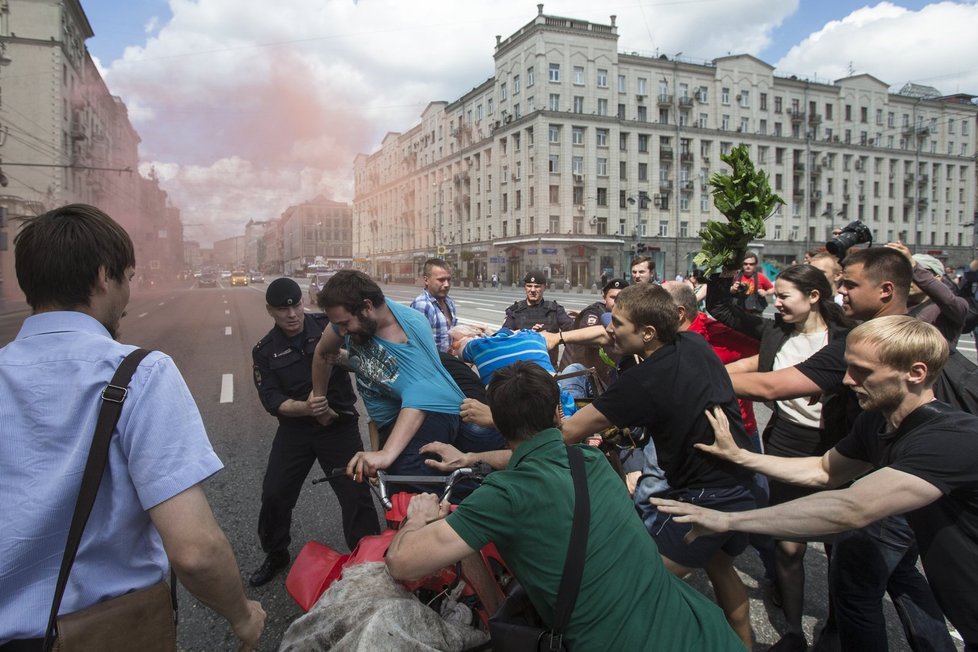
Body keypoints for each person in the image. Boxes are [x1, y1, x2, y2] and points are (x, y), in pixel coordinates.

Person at [0, 205, 265, 649]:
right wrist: (241, 615)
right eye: (129, 277)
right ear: (105, 276)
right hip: (107, 632)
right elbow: (195, 551)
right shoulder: (139, 372)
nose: (127, 294)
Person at [655, 316, 978, 650]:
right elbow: (824, 471)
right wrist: (739, 456)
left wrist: (728, 520)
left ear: (916, 373)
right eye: (848, 367)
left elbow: (851, 508)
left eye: (863, 371)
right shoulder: (876, 422)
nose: (848, 380)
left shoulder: (948, 438)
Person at [386, 362, 745, 651]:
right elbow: (532, 456)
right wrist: (472, 457)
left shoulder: (504, 496)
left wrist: (417, 519)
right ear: (559, 414)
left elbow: (402, 563)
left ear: (498, 423)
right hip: (703, 630)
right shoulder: (590, 460)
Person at [727, 247, 955, 652]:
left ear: (886, 290)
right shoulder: (912, 337)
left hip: (883, 478)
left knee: (855, 592)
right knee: (902, 575)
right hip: (873, 464)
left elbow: (773, 386)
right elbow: (822, 467)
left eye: (849, 284)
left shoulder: (865, 341)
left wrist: (686, 380)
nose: (840, 292)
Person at [561, 283, 757, 647]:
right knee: (720, 566)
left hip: (705, 495)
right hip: (740, 481)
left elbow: (569, 431)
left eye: (618, 324)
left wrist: (496, 419)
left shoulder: (643, 381)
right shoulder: (693, 344)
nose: (609, 330)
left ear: (648, 332)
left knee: (640, 583)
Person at [707, 264, 855, 651]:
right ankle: (792, 631)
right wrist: (726, 262)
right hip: (787, 440)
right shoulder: (774, 330)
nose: (776, 302)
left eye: (785, 296)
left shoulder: (847, 337)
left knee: (840, 545)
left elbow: (772, 388)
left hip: (836, 442)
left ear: (814, 297)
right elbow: (723, 309)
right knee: (788, 545)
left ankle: (838, 627)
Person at [250, 278, 380, 587]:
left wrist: (346, 360)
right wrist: (308, 408)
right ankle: (276, 551)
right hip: (296, 430)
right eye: (283, 309)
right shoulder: (265, 351)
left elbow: (368, 358)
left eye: (296, 305)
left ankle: (372, 562)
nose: (292, 314)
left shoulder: (331, 325)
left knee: (356, 494)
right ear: (270, 311)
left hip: (339, 428)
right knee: (275, 493)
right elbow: (272, 400)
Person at [311, 270, 465, 488]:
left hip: (432, 411)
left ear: (367, 307)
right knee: (391, 489)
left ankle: (478, 503)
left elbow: (420, 394)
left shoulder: (409, 329)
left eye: (345, 324)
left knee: (406, 474)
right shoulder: (348, 322)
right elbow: (323, 353)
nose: (342, 332)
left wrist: (386, 454)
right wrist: (319, 400)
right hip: (393, 421)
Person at [557, 278, 627, 389]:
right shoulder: (594, 312)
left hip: (597, 378)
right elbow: (591, 337)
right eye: (613, 298)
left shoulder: (624, 317)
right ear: (604, 298)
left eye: (621, 298)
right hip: (576, 377)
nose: (617, 303)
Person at [501, 270, 574, 367]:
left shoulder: (555, 310)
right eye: (529, 286)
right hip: (521, 371)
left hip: (548, 370)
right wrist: (527, 334)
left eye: (537, 286)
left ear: (544, 287)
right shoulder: (515, 311)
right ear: (525, 287)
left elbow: (573, 334)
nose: (532, 290)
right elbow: (504, 339)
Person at [409, 258, 457, 354]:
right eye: (441, 280)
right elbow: (418, 346)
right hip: (432, 366)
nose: (447, 284)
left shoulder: (449, 302)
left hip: (447, 364)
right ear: (426, 280)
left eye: (448, 279)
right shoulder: (423, 305)